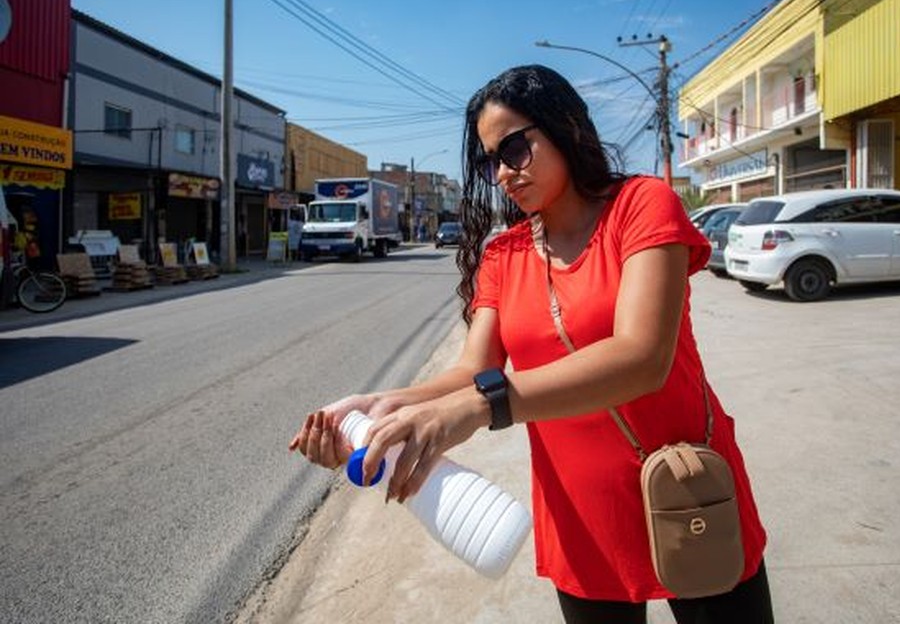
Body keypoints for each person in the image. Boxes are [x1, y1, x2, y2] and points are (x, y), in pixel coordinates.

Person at [289, 64, 773, 624]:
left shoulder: (641, 206)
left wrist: (479, 407)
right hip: (583, 516)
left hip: (689, 489)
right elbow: (474, 369)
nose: (502, 174)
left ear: (566, 126)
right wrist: (378, 408)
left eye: (515, 148)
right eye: (490, 160)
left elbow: (642, 358)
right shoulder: (505, 255)